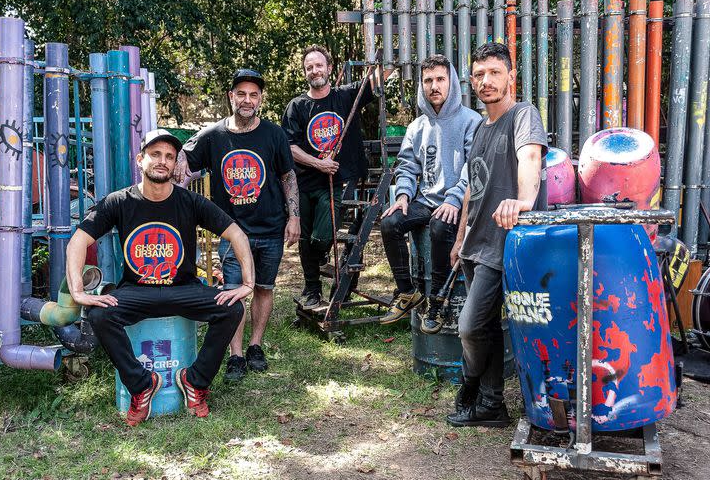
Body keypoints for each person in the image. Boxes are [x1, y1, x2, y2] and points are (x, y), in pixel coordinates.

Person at [67, 129, 255, 427]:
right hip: (137, 291)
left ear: (174, 164)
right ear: (140, 159)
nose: (163, 161)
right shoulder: (119, 201)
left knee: (232, 308)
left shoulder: (190, 201)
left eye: (169, 156)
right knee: (99, 315)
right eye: (156, 154)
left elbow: (237, 234)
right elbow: (78, 241)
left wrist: (248, 284)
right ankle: (141, 385)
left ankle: (195, 381)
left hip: (183, 290)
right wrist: (78, 291)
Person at [174, 69, 299, 383]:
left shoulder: (274, 134)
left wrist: (294, 216)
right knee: (232, 292)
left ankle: (256, 345)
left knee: (264, 288)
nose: (247, 100)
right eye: (241, 94)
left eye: (253, 95)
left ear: (260, 99)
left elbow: (288, 176)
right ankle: (236, 354)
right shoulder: (213, 135)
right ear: (231, 97)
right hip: (232, 229)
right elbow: (183, 156)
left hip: (271, 227)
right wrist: (177, 161)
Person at [447, 43, 548, 427]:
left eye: (494, 72)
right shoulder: (480, 129)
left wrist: (522, 200)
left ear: (511, 77)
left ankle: (470, 386)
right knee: (486, 327)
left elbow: (530, 158)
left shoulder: (523, 115)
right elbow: (473, 189)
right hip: (477, 241)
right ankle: (492, 406)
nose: (485, 81)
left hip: (506, 241)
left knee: (470, 325)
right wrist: (459, 240)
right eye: (478, 74)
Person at [379, 54, 482, 329]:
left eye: (440, 79)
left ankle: (436, 303)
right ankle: (408, 292)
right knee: (390, 222)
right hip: (425, 199)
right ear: (421, 85)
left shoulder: (471, 121)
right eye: (428, 80)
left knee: (440, 226)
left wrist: (454, 199)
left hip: (457, 201)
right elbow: (407, 166)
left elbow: (472, 169)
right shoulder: (416, 126)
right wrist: (402, 196)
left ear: (451, 83)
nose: (434, 86)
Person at [281, 45, 386, 309]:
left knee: (322, 236)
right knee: (306, 238)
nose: (315, 70)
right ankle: (312, 289)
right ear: (305, 73)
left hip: (340, 179)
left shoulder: (346, 96)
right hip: (306, 181)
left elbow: (379, 79)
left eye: (319, 65)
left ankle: (320, 260)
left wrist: (385, 53)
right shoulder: (297, 106)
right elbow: (290, 147)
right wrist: (319, 163)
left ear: (329, 68)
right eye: (309, 67)